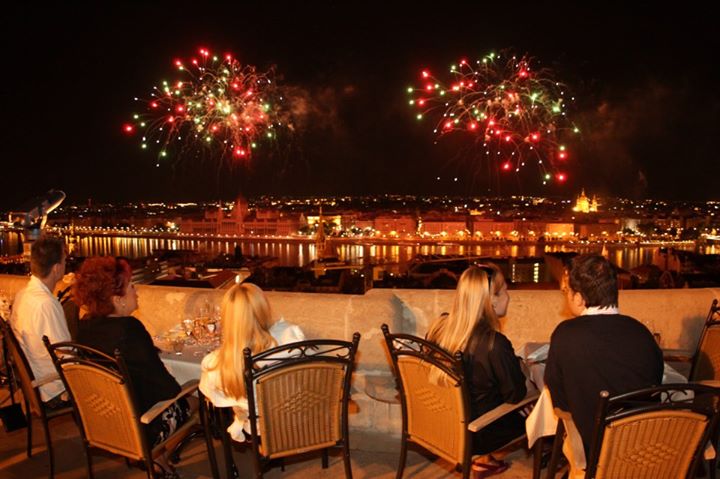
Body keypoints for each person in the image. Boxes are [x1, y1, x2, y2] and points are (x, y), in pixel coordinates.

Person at [72, 256, 194, 458]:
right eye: (131, 286)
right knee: (197, 397)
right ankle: (160, 460)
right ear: (117, 300)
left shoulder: (84, 328)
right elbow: (167, 389)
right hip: (141, 428)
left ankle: (159, 462)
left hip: (104, 422)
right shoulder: (130, 330)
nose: (136, 291)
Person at [544, 254, 663, 456]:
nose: (566, 297)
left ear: (580, 298)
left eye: (567, 292)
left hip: (599, 450)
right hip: (644, 446)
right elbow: (655, 386)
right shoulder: (641, 332)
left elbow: (560, 402)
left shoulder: (565, 334)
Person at [426, 264, 526, 477]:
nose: (509, 297)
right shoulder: (494, 343)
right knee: (538, 408)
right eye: (505, 291)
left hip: (443, 425)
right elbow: (515, 394)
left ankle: (482, 461)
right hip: (477, 433)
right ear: (491, 299)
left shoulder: (440, 328)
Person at [199, 282, 304, 441]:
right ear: (262, 310)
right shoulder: (290, 335)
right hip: (299, 417)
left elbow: (212, 396)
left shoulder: (216, 363)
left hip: (260, 429)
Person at [10, 235, 70, 408]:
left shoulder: (23, 295)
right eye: (64, 261)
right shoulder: (46, 304)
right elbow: (65, 354)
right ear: (57, 268)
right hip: (54, 390)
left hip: (36, 386)